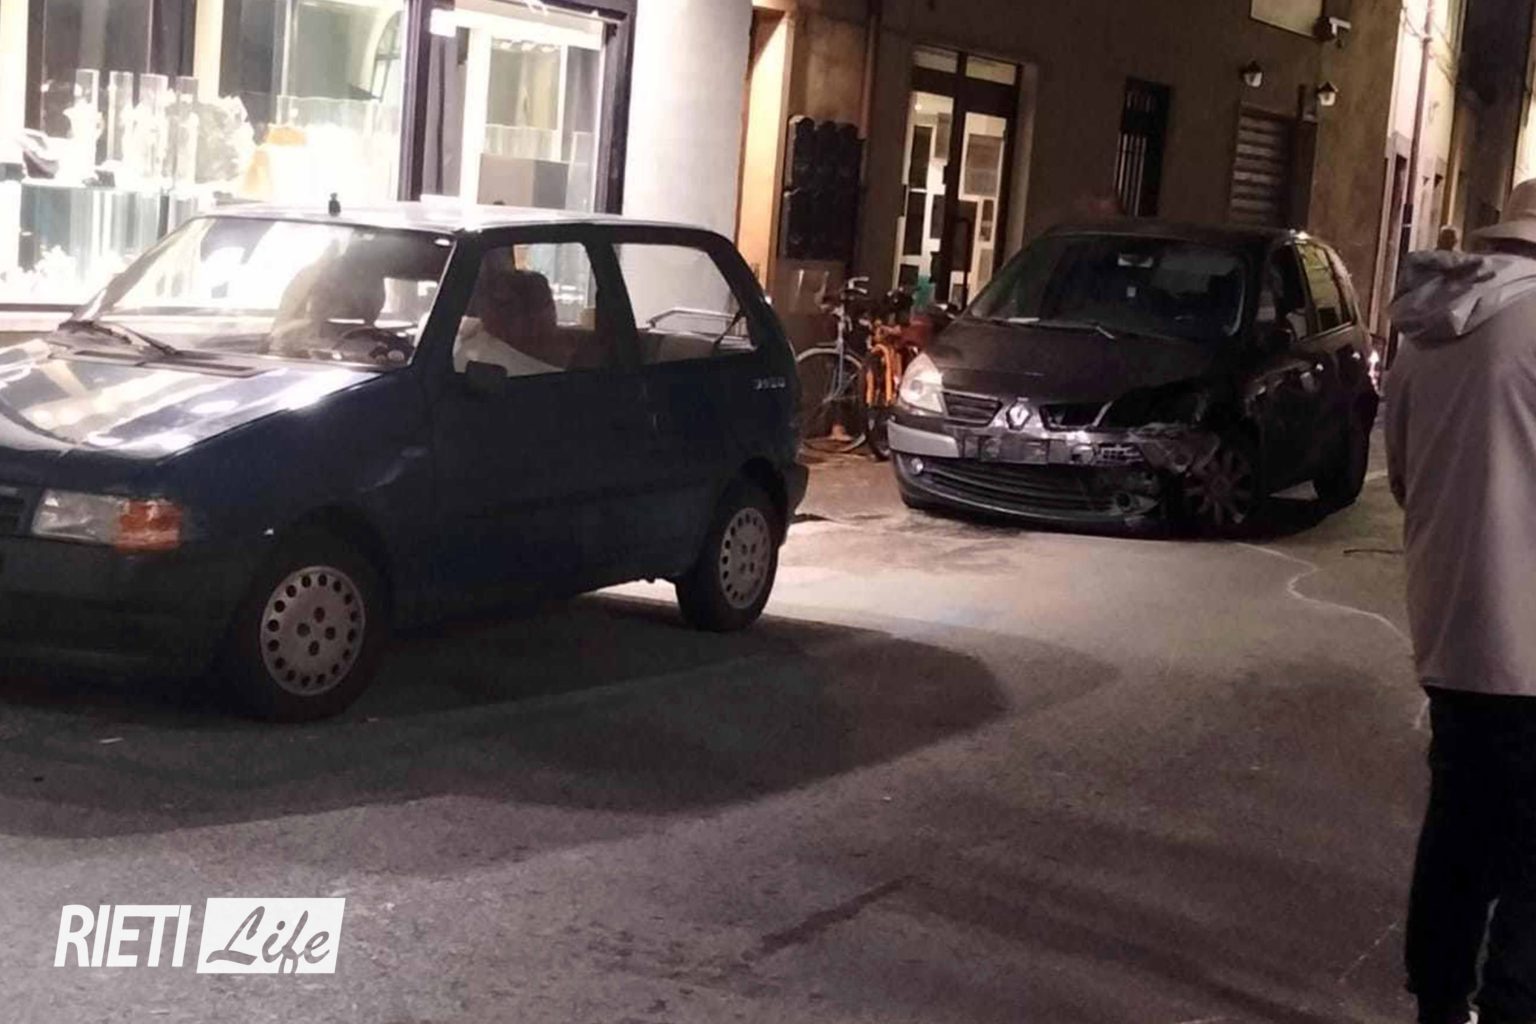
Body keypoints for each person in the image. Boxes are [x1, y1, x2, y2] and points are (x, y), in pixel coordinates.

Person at [1387, 177, 1536, 1024]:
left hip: (1453, 630)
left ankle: (1438, 1003)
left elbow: (1403, 478)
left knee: (1458, 831)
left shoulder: (1430, 326)